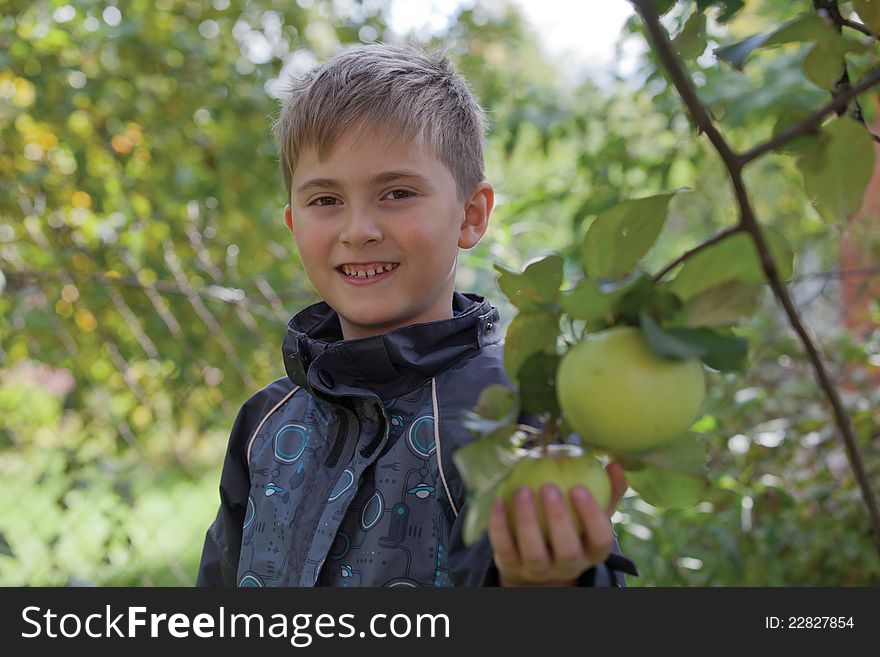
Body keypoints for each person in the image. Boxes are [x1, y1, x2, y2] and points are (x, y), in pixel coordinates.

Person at [196, 41, 638, 587]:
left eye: (398, 193)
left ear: (470, 216)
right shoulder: (263, 423)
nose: (358, 230)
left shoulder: (515, 413)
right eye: (325, 200)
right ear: (293, 223)